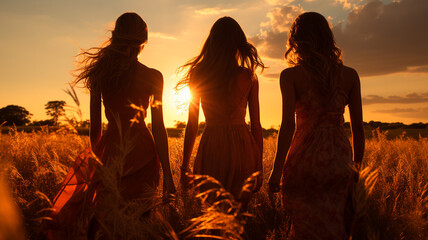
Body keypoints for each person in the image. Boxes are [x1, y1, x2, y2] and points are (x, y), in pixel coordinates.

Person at [47, 12, 175, 238]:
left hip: (111, 150)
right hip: (143, 152)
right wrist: (168, 174)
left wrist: (97, 162)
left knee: (106, 222)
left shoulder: (100, 74)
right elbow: (158, 127)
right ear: (143, 41)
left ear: (116, 37)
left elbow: (95, 128)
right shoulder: (154, 76)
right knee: (140, 223)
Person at [268, 12, 364, 239]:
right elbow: (357, 129)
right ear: (327, 38)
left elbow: (287, 127)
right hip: (338, 160)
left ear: (296, 41)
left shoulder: (290, 76)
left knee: (305, 229)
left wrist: (276, 171)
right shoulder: (350, 75)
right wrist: (357, 169)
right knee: (337, 227)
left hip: (304, 161)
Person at [177, 16, 265, 202]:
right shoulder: (248, 76)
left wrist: (185, 167)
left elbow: (192, 125)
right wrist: (259, 167)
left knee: (212, 211)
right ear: (238, 44)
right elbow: (256, 126)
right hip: (243, 147)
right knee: (239, 214)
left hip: (213, 145)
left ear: (212, 42)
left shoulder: (199, 73)